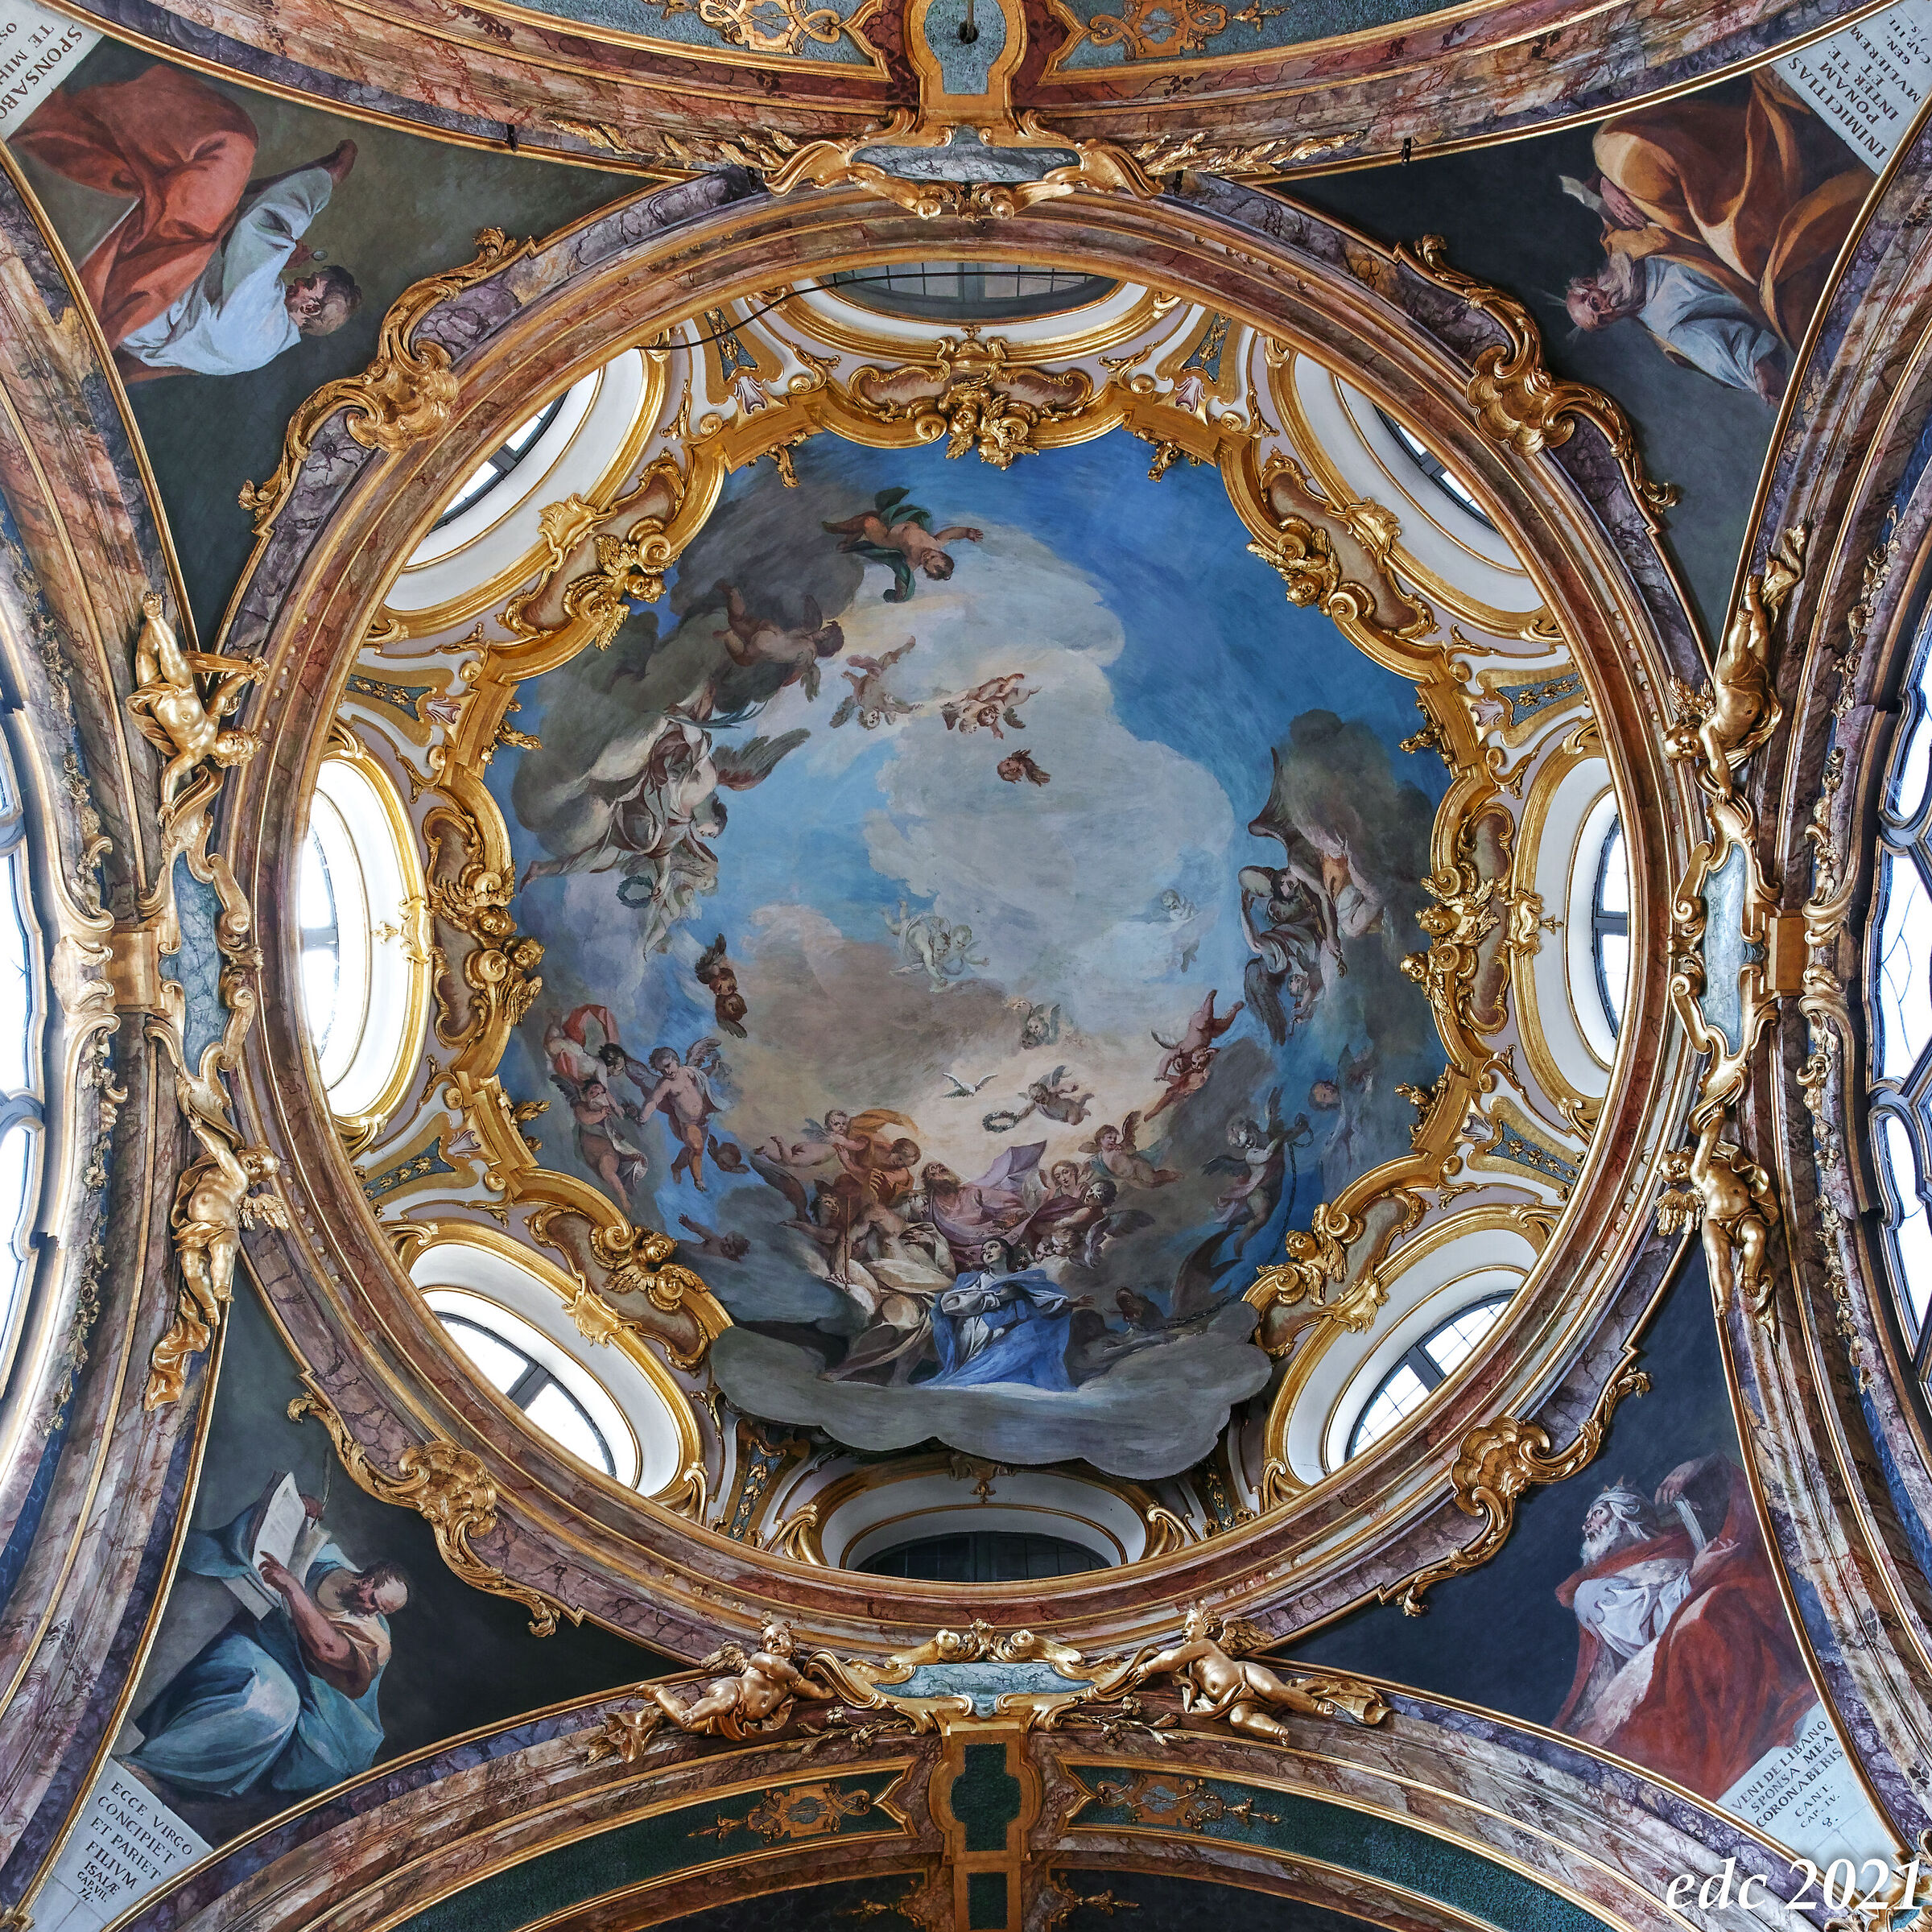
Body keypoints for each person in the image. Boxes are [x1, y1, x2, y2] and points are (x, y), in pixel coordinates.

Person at [15, 62, 362, 381]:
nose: (298, 283)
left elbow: (261, 228)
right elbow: (197, 326)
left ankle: (92, 106)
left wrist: (324, 182)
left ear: (311, 306)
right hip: (141, 316)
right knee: (212, 196)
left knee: (232, 146)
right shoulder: (261, 353)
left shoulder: (266, 323)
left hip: (151, 285)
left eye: (309, 282)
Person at [1562, 71, 1871, 401]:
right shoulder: (1669, 325)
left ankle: (1766, 111)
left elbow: (1582, 189)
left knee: (1612, 150)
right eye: (1603, 320)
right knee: (1734, 239)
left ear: (1590, 283)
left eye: (1594, 303)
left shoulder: (1616, 245)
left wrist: (1606, 185)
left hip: (1709, 181)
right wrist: (1759, 372)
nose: (1607, 310)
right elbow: (1718, 346)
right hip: (1754, 248)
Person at [1552, 1456, 1814, 1798]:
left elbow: (1737, 1518)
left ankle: (1786, 1693)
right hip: (1658, 1653)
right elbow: (1645, 1631)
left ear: (1627, 1514)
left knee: (1739, 1594)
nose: (1589, 1524)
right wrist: (1695, 1576)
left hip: (1708, 1620)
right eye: (1589, 1518)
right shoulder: (1591, 1591)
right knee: (1703, 1620)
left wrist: (1700, 1466)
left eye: (1598, 1513)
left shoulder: (1677, 1542)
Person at [126, 1492, 410, 1800]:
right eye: (373, 1600)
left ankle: (156, 1768)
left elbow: (328, 1648)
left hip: (302, 1686)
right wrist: (300, 1516)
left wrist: (292, 1589)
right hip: (248, 1633)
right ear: (367, 1578)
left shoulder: (377, 1639)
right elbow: (276, 1544)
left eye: (382, 1611)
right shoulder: (331, 1562)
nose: (372, 1610)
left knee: (272, 1706)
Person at [923, 1236, 1083, 1391]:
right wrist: (998, 1297)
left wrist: (1070, 1303)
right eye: (983, 1251)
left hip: (1002, 1338)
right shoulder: (972, 1279)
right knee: (970, 1379)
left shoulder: (1021, 1281)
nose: (986, 1252)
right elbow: (949, 1304)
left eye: (992, 1247)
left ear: (1005, 1251)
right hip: (970, 1337)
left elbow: (1039, 1304)